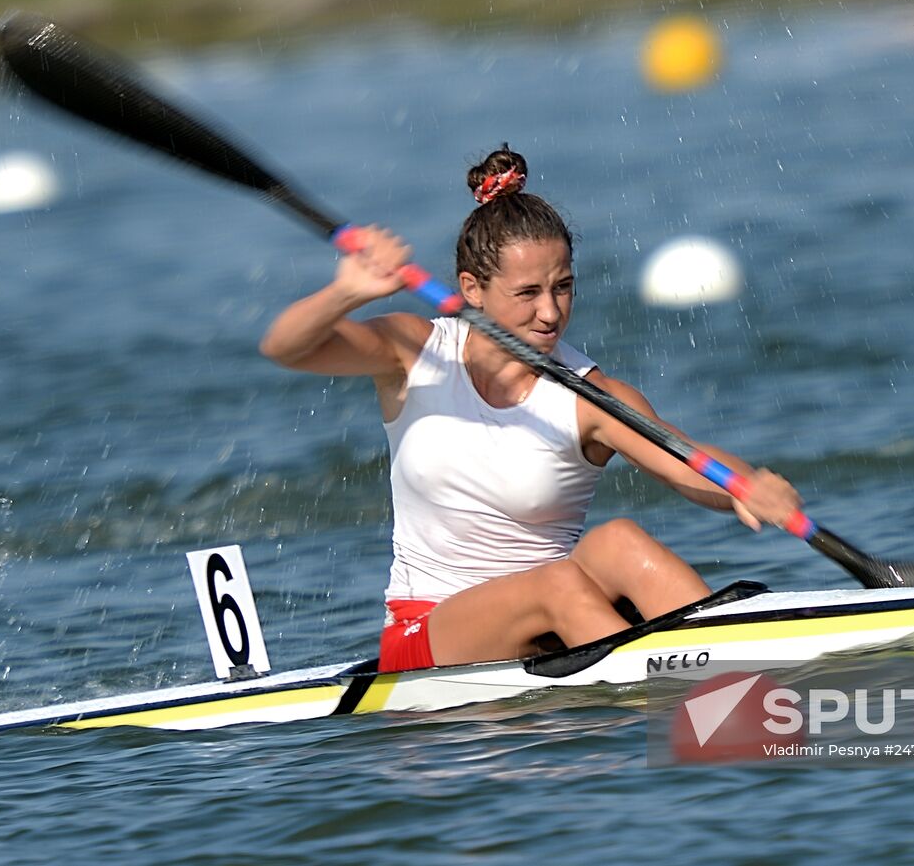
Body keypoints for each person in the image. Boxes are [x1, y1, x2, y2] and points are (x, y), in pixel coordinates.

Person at [260, 146, 804, 672]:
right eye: (528, 293)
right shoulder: (416, 353)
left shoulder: (590, 396)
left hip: (558, 623)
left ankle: (742, 664)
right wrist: (347, 294)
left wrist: (746, 487)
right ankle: (674, 692)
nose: (550, 312)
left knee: (619, 541)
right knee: (558, 582)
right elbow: (286, 348)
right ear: (472, 288)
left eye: (563, 287)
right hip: (427, 631)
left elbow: (683, 460)